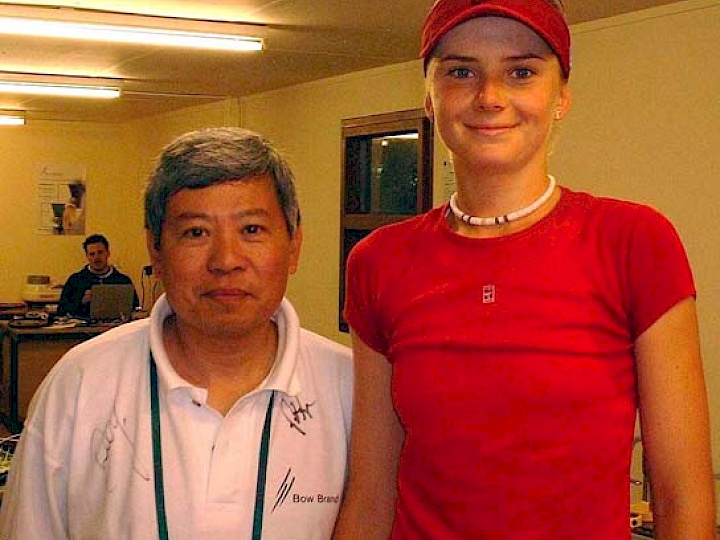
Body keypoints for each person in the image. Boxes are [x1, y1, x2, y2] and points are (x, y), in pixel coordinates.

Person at [334, 1, 716, 539]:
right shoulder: (379, 261)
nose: (490, 97)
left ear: (561, 96)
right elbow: (372, 494)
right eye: (461, 72)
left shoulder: (634, 243)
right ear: (429, 98)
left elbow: (682, 492)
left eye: (521, 72)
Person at [0, 128, 353, 539]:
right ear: (156, 250)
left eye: (252, 230)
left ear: (294, 246)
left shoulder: (350, 390)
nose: (226, 260)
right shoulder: (80, 382)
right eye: (195, 232)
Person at [56, 233, 139, 318]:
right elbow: (61, 312)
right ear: (87, 256)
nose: (96, 258)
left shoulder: (123, 281)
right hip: (84, 329)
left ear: (108, 253)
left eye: (100, 252)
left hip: (115, 329)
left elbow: (135, 309)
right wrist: (81, 302)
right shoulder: (75, 281)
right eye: (92, 254)